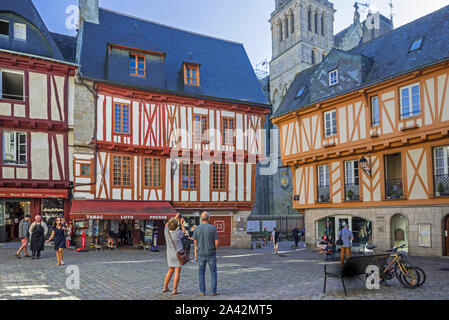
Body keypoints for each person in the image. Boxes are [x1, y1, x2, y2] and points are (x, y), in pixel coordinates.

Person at [193, 211, 219, 296]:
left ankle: (202, 291)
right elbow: (216, 243)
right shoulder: (213, 228)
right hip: (211, 252)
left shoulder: (197, 228)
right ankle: (213, 291)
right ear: (209, 218)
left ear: (201, 219)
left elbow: (195, 242)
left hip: (201, 253)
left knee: (201, 272)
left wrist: (198, 249)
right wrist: (213, 249)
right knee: (213, 272)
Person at [163, 214, 186, 295]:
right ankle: (174, 290)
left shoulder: (166, 231)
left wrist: (174, 218)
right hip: (178, 254)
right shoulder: (178, 233)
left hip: (169, 254)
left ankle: (165, 287)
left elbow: (166, 224)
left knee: (170, 271)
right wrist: (181, 222)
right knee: (177, 272)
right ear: (177, 226)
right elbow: (184, 232)